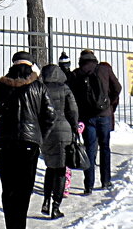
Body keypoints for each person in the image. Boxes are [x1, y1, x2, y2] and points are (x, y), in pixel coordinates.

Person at [0, 51, 55, 229]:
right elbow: (50, 115)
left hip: (3, 143)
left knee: (8, 189)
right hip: (29, 143)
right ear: (30, 65)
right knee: (24, 189)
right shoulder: (38, 87)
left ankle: (11, 225)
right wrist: (39, 137)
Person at [67, 50, 121, 195]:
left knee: (90, 149)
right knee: (105, 147)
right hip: (104, 114)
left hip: (86, 117)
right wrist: (110, 103)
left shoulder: (76, 74)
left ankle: (88, 185)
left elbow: (71, 95)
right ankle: (106, 181)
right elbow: (117, 88)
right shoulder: (104, 69)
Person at [39, 64, 78, 220]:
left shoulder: (41, 88)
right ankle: (56, 206)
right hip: (64, 131)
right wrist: (75, 127)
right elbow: (73, 110)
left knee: (50, 167)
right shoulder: (65, 89)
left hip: (46, 132)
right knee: (61, 169)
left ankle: (46, 200)